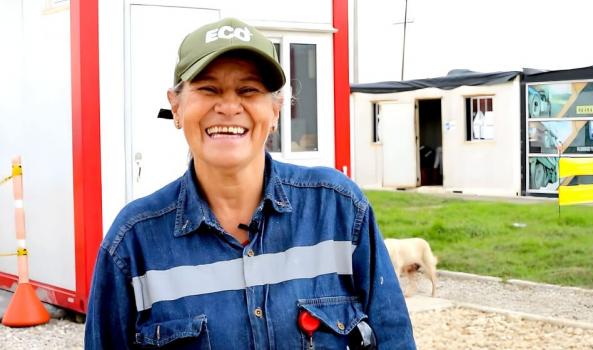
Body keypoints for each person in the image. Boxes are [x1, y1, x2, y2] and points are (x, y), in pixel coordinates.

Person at [85, 18, 415, 349]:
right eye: (208, 89)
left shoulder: (338, 210)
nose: (229, 107)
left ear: (275, 110)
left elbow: (394, 339)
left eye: (249, 90)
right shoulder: (133, 243)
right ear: (176, 106)